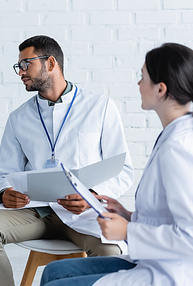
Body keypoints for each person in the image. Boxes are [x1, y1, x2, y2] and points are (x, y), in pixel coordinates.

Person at [0, 35, 134, 286]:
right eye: (19, 66)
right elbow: (6, 172)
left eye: (26, 64)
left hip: (83, 213)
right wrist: (5, 193)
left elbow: (122, 170)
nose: (20, 72)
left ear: (51, 63)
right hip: (35, 212)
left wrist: (91, 195)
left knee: (110, 252)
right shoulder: (18, 118)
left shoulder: (100, 107)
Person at [40, 42, 193, 286]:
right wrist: (128, 216)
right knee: (53, 272)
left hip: (172, 274)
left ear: (161, 89)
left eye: (142, 77)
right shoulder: (173, 135)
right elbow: (169, 217)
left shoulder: (178, 149)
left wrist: (127, 232)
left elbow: (190, 237)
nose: (139, 84)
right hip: (154, 260)